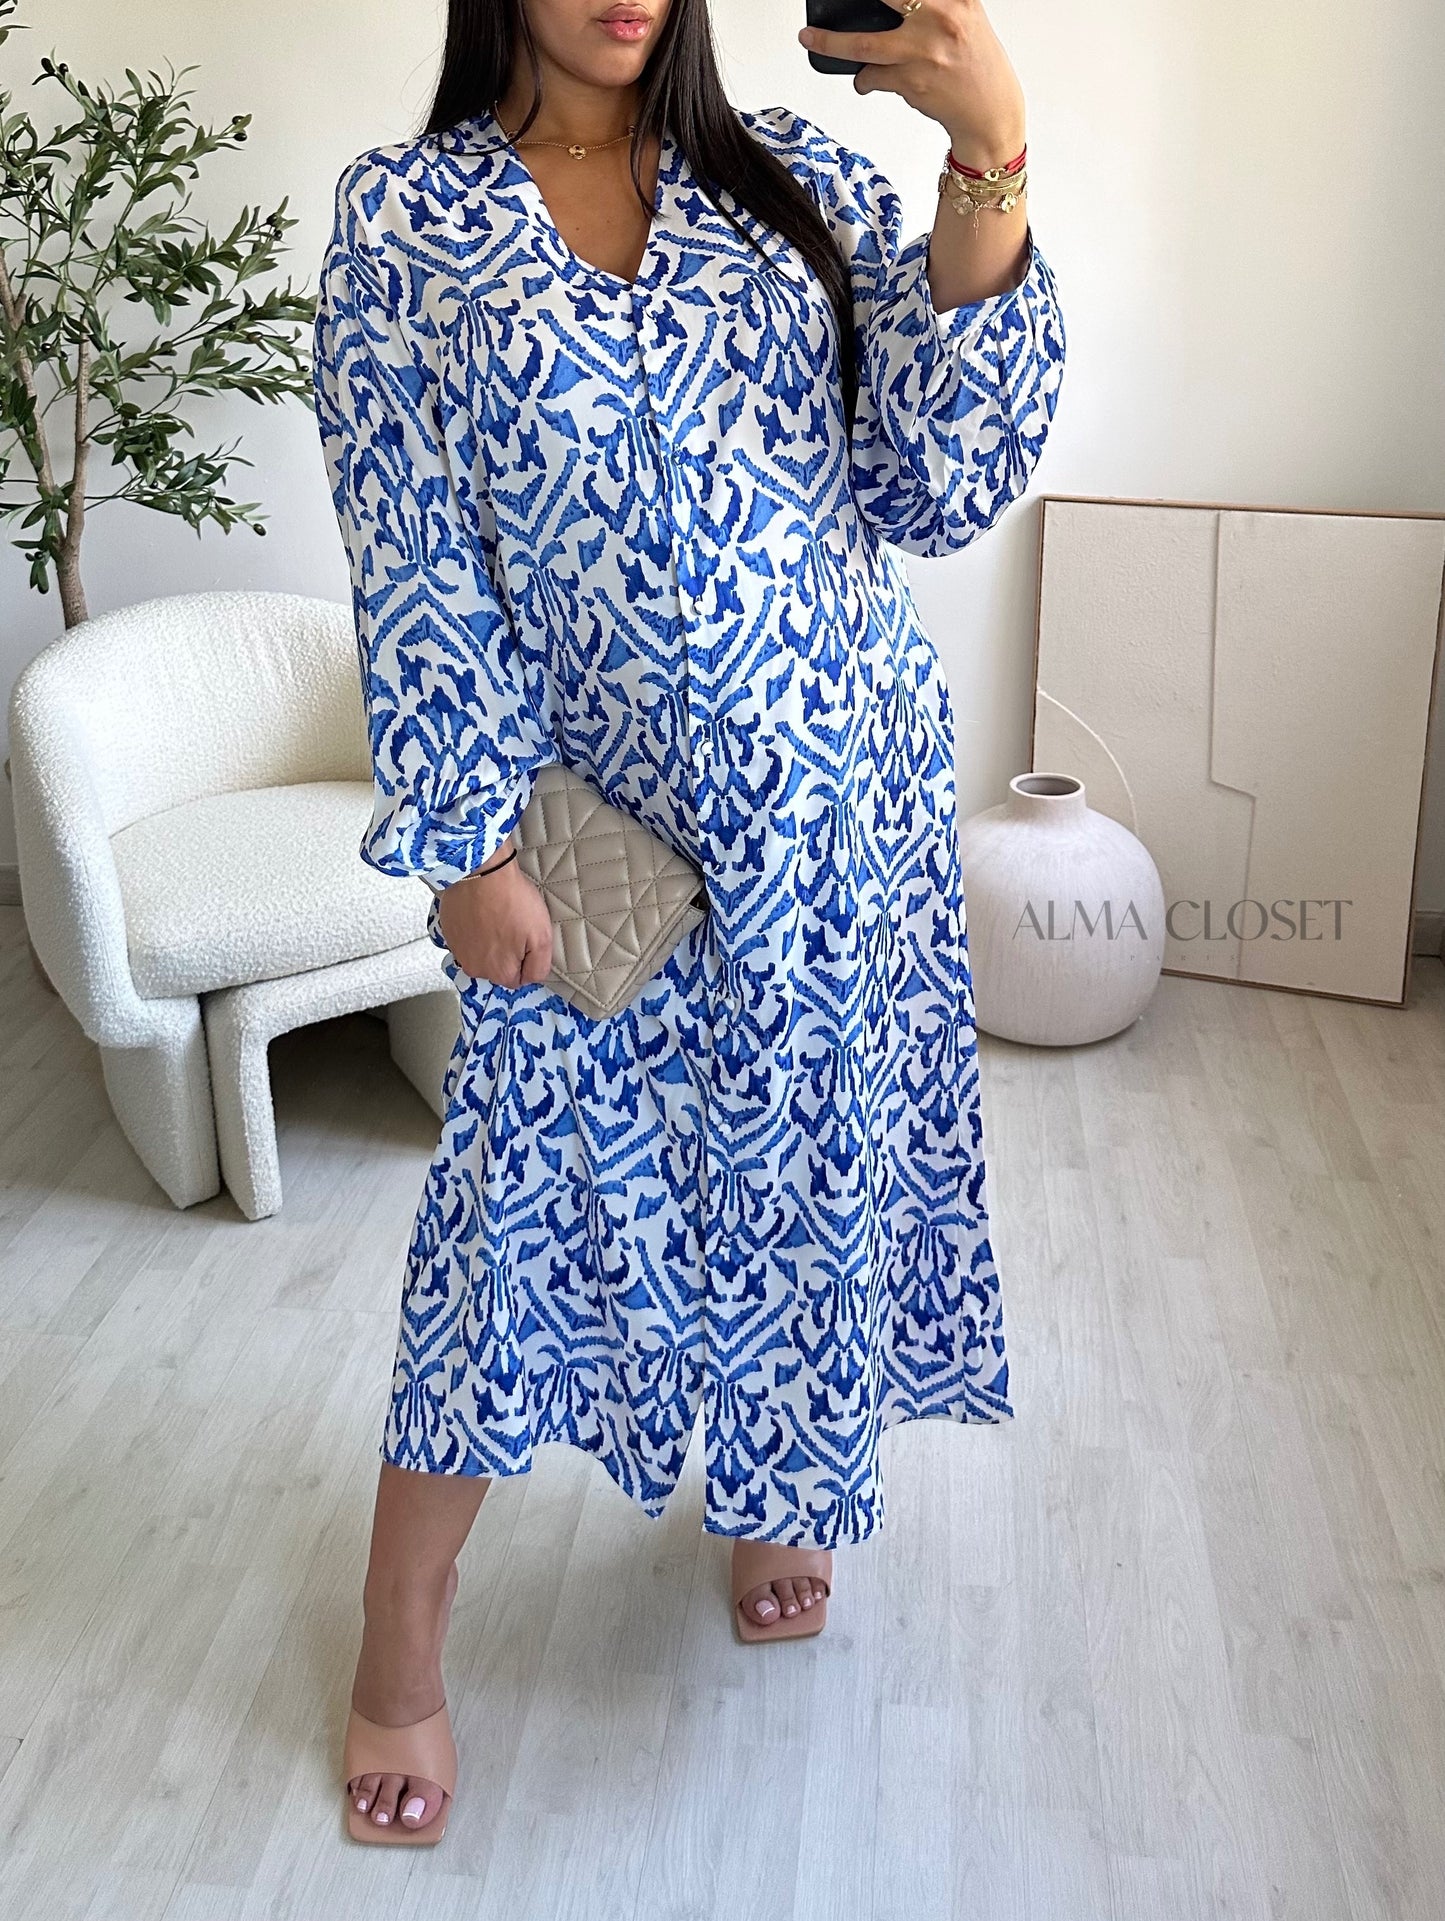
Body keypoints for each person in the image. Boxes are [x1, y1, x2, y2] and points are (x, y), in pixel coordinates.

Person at [312, 0, 1065, 1846]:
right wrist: (467, 840)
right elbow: (409, 548)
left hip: (840, 825)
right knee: (511, 1223)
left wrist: (986, 150)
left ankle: (780, 1490)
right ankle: (399, 1629)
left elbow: (935, 481)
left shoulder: (792, 182)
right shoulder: (408, 218)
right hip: (597, 841)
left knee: (803, 1183)